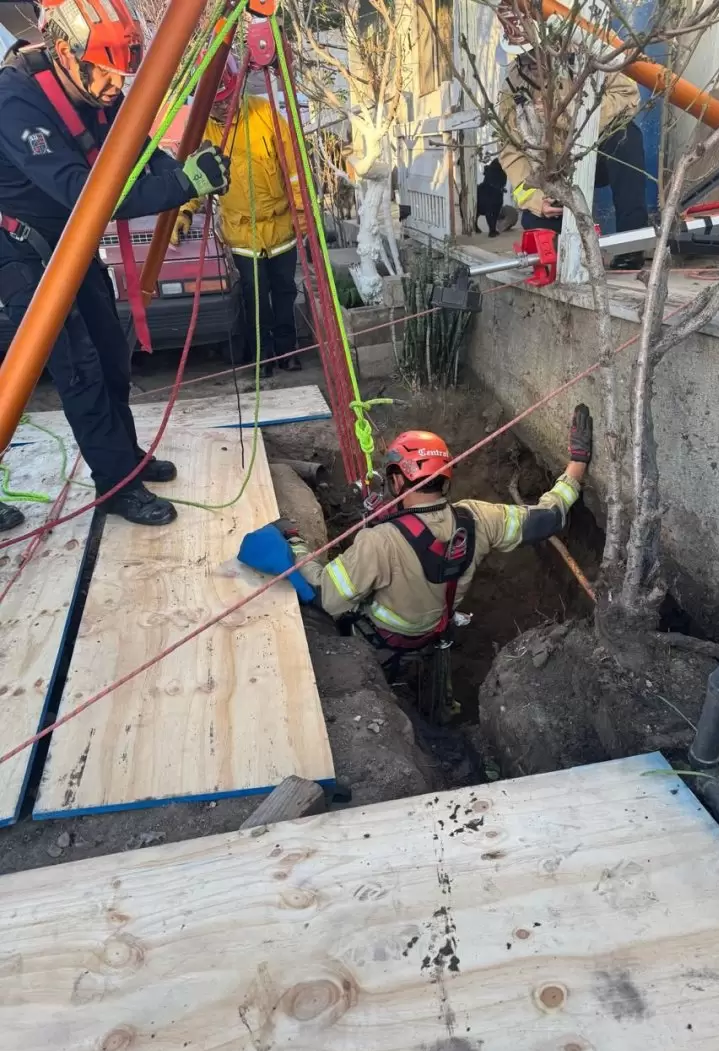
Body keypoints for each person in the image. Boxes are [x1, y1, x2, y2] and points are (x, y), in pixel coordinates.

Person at [0, 0, 231, 532]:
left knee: (109, 354)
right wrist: (179, 185)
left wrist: (184, 174)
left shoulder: (94, 93)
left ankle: (124, 460)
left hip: (71, 244)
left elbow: (137, 149)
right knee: (78, 369)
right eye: (103, 70)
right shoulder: (14, 101)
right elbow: (81, 192)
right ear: (64, 52)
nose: (113, 83)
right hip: (25, 251)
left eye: (121, 73)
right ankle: (115, 486)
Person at [236, 405, 593, 650]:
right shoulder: (478, 517)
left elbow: (327, 596)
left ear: (396, 481)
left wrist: (296, 545)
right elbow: (550, 518)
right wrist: (577, 463)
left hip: (388, 637)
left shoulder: (377, 542)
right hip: (440, 624)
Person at [172, 55, 304, 375]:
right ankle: (262, 358)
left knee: (285, 293)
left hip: (282, 225)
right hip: (242, 232)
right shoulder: (202, 130)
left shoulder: (267, 115)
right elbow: (195, 178)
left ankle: (287, 351)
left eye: (226, 99)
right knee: (253, 297)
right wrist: (184, 212)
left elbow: (295, 170)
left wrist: (302, 213)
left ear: (237, 88)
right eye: (215, 103)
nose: (221, 107)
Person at [497, 8, 649, 271]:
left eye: (535, 53)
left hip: (596, 151)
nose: (531, 63)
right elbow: (511, 151)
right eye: (524, 57)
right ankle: (578, 249)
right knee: (540, 231)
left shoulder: (590, 49)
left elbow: (628, 96)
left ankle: (630, 244)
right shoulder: (512, 84)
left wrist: (569, 114)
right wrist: (535, 200)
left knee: (627, 137)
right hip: (556, 170)